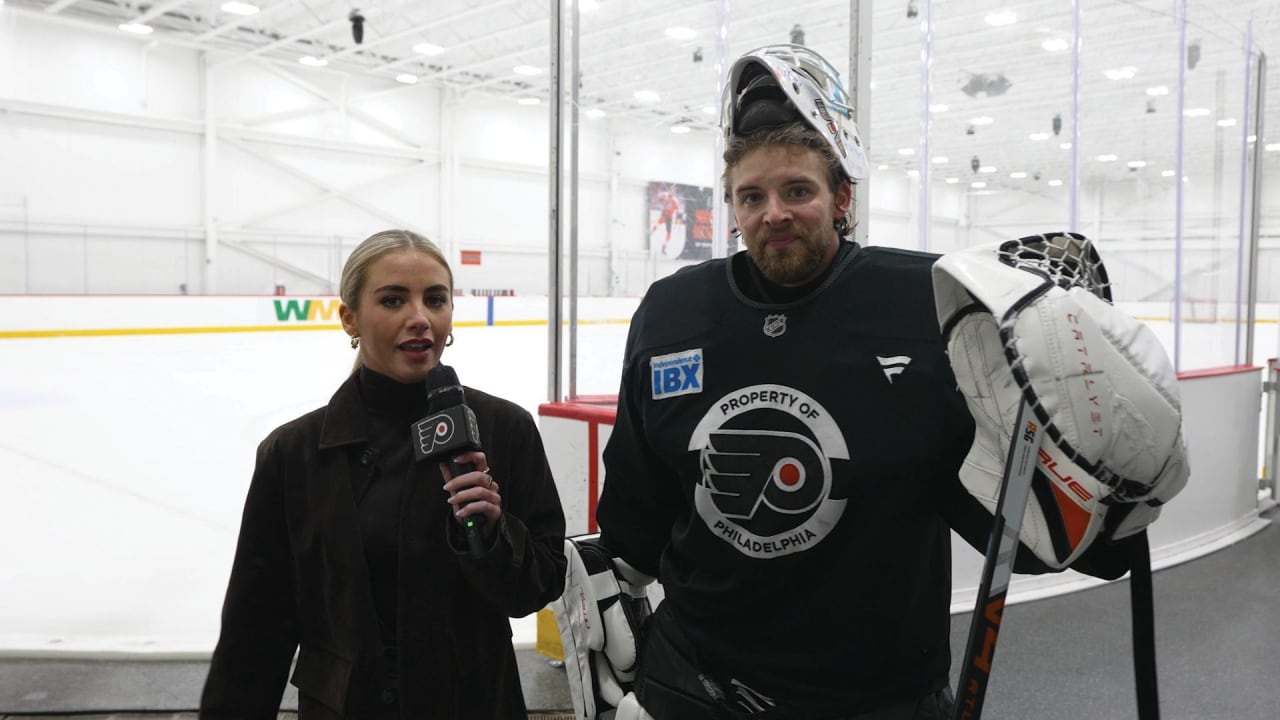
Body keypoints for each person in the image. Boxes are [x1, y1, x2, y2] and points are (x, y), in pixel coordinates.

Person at [595, 45, 1131, 719]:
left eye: (798, 191)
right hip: (696, 681)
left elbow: (1017, 522)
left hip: (875, 696)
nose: (774, 213)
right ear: (731, 208)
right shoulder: (671, 313)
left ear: (842, 195)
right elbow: (635, 516)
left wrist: (1106, 497)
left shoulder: (931, 306)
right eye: (751, 197)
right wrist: (613, 607)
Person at [200, 229, 567, 719]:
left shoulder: (504, 430)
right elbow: (257, 626)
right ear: (349, 318)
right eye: (393, 300)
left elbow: (539, 586)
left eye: (435, 299)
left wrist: (495, 533)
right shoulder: (293, 454)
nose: (420, 318)